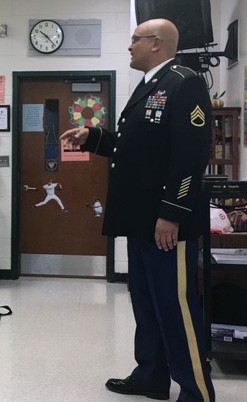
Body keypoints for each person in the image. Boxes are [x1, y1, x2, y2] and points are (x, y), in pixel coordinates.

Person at [60, 19, 214, 402]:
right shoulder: (150, 86)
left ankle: (196, 391)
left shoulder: (185, 82)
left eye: (135, 39)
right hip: (141, 220)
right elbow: (138, 151)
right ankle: (152, 376)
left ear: (157, 44)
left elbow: (191, 156)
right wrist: (93, 137)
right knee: (147, 305)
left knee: (176, 307)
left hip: (166, 223)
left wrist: (173, 212)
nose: (130, 46)